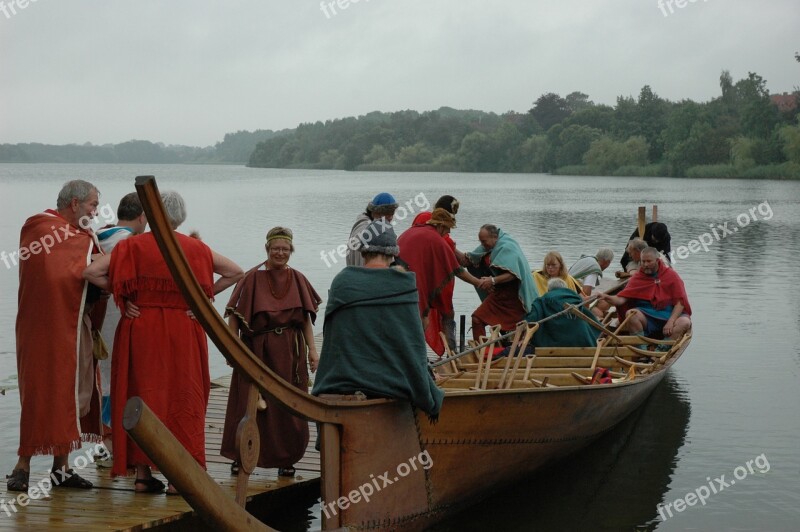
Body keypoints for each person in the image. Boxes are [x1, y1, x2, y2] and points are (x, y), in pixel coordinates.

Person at [83, 191, 243, 494]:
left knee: (141, 394)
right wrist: (200, 302)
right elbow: (235, 272)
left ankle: (142, 475)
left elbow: (90, 271)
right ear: (180, 217)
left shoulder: (132, 246)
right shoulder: (196, 248)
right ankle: (177, 479)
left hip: (140, 327)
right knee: (184, 397)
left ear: (153, 215)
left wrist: (123, 296)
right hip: (183, 328)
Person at [7, 180, 104, 492]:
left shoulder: (81, 237)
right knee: (38, 394)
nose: (96, 211)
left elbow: (87, 273)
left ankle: (60, 470)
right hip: (40, 328)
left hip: (73, 325)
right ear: (74, 204)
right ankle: (22, 466)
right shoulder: (38, 228)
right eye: (92, 205)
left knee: (70, 391)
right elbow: (55, 274)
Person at [312, 220, 444, 421]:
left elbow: (333, 339)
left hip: (342, 382)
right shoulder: (404, 284)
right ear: (393, 254)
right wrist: (426, 391)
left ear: (363, 252)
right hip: (394, 385)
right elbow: (413, 344)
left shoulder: (342, 282)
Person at [220, 227, 322, 478]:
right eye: (276, 248)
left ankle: (287, 458)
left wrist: (313, 351)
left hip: (290, 351)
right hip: (257, 351)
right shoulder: (252, 278)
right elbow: (234, 318)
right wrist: (232, 350)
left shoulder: (298, 278)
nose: (280, 253)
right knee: (248, 402)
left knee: (287, 404)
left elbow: (305, 320)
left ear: (291, 251)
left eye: (285, 249)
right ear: (267, 249)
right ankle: (241, 454)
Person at [95, 192, 149, 464]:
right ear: (142, 217)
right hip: (122, 317)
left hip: (99, 319)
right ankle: (119, 445)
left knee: (104, 379)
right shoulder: (130, 242)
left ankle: (105, 441)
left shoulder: (97, 236)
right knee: (123, 378)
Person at [398, 208, 481, 355]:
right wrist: (479, 282)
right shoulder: (435, 238)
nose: (447, 234)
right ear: (441, 226)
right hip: (413, 286)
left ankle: (412, 359)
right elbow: (456, 269)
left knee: (405, 324)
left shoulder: (410, 231)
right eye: (447, 230)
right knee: (421, 322)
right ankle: (446, 355)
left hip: (397, 283)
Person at [598, 247, 691, 342]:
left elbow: (680, 302)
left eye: (649, 261)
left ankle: (664, 346)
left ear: (657, 260)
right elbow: (621, 299)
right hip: (646, 316)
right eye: (643, 261)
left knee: (685, 322)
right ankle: (640, 346)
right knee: (631, 314)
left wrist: (671, 322)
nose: (645, 264)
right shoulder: (637, 277)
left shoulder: (671, 275)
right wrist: (606, 297)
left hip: (668, 315)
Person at [465, 224, 537, 343]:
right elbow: (466, 260)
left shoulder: (507, 246)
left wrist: (492, 280)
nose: (482, 244)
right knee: (477, 319)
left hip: (517, 297)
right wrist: (449, 246)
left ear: (494, 237)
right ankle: (484, 354)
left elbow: (514, 273)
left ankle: (508, 352)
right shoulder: (488, 246)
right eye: (480, 241)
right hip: (499, 294)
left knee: (520, 328)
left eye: (484, 241)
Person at [526, 278, 600, 348]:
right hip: (584, 341)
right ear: (565, 288)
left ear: (548, 289)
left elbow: (532, 318)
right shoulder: (576, 299)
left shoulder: (541, 300)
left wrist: (524, 334)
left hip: (554, 344)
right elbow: (592, 319)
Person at [345, 192, 398, 267]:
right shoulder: (366, 232)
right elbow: (363, 266)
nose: (390, 217)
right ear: (374, 212)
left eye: (392, 213)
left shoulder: (363, 227)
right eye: (386, 213)